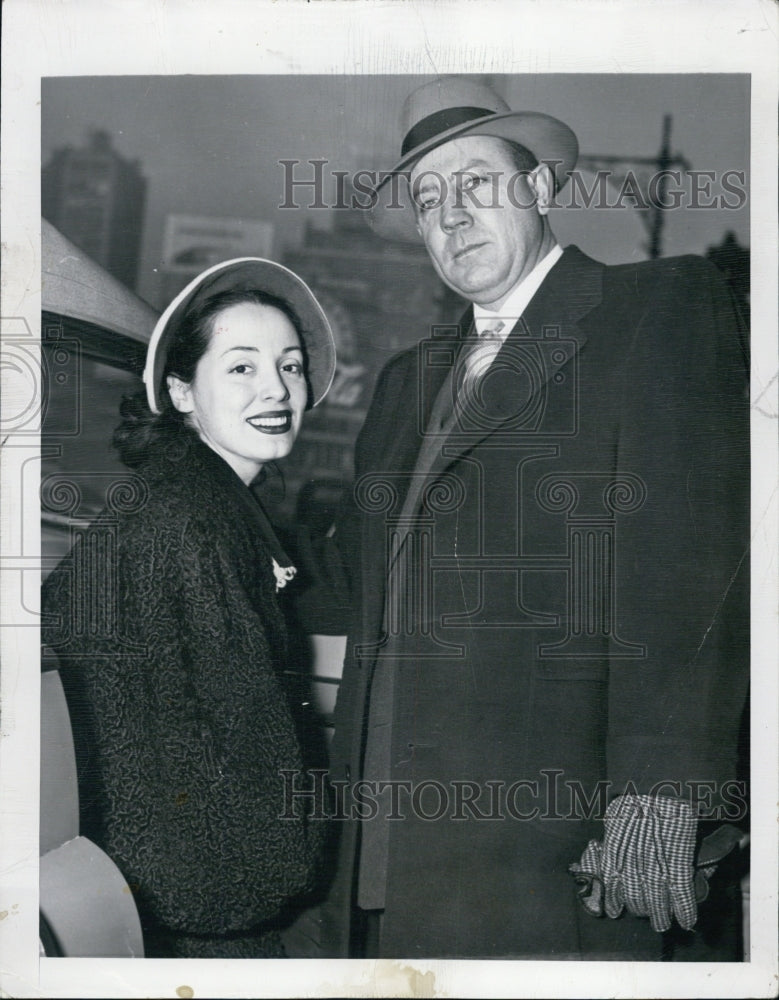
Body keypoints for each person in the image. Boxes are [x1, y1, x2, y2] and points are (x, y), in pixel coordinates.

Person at [318, 77, 749, 960]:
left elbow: (693, 562)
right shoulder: (406, 380)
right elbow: (360, 590)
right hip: (388, 850)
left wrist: (661, 788)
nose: (451, 216)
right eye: (428, 199)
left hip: (554, 852)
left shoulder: (655, 310)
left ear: (542, 189)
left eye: (476, 183)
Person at [42, 258, 336, 958]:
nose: (276, 389)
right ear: (180, 393)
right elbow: (228, 743)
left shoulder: (196, 500)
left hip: (153, 890)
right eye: (241, 368)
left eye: (290, 366)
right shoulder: (190, 520)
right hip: (184, 913)